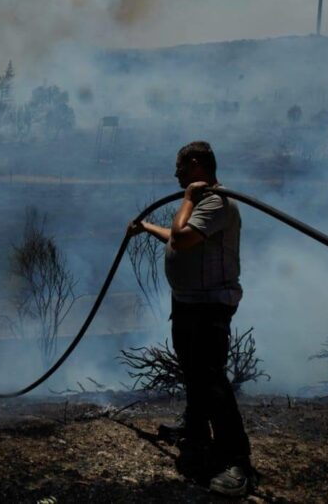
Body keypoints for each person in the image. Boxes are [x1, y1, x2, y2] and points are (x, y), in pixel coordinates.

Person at [127, 141, 254, 496]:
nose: (176, 174)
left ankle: (236, 460)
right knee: (193, 371)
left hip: (209, 305)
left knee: (211, 378)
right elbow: (175, 237)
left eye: (180, 167)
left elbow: (182, 239)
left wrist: (187, 199)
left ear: (196, 164)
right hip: (188, 303)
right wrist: (146, 227)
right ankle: (195, 431)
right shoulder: (202, 204)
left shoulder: (216, 203)